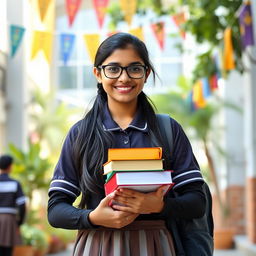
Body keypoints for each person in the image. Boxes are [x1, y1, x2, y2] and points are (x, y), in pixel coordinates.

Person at [48, 32, 206, 256]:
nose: (124, 78)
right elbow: (55, 210)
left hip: (156, 246)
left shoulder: (168, 130)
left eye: (134, 68)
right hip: (97, 245)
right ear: (98, 74)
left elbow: (197, 202)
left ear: (146, 73)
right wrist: (92, 217)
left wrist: (158, 206)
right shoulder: (81, 133)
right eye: (113, 69)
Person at [0, 154, 26, 256]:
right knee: (7, 250)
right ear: (10, 166)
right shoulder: (15, 183)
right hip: (9, 220)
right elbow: (22, 205)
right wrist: (19, 222)